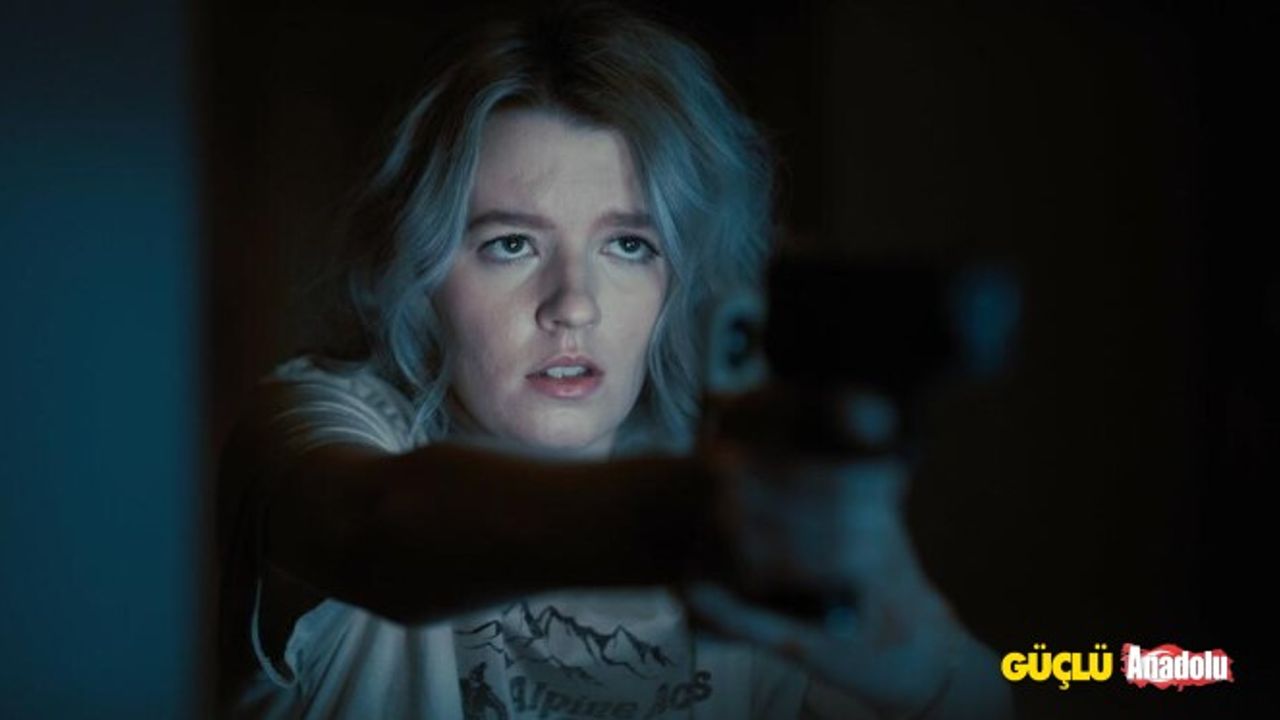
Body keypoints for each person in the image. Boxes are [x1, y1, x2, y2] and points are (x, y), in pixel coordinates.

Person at [214, 3, 1014, 719]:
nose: (574, 305)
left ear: (680, 279)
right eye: (511, 244)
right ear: (421, 272)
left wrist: (917, 657)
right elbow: (376, 528)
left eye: (629, 246)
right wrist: (708, 517)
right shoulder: (320, 423)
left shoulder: (739, 478)